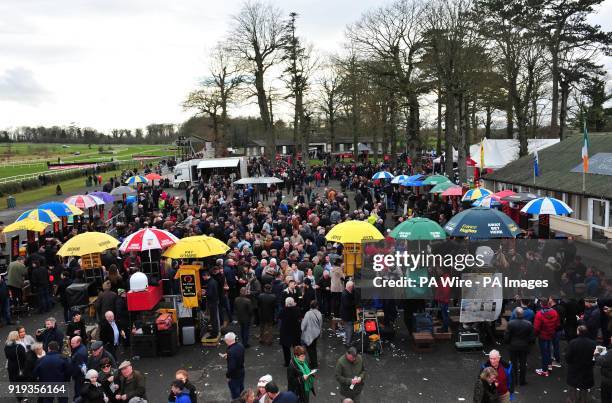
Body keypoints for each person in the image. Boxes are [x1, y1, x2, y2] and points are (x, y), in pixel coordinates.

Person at [504, 307, 534, 386]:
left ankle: (514, 381)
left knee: (514, 364)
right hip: (524, 347)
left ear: (515, 314)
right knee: (523, 363)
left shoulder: (511, 323)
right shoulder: (528, 324)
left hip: (513, 346)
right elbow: (531, 338)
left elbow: (507, 336)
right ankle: (522, 381)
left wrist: (508, 343)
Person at [566, 325, 597, 402]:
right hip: (587, 368)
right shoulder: (593, 343)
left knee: (573, 386)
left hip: (574, 368)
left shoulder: (573, 342)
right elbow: (594, 357)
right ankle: (583, 400)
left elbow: (568, 357)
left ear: (578, 332)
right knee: (584, 387)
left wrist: (570, 363)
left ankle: (573, 400)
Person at [534, 299, 559, 376]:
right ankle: (549, 366)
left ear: (541, 304)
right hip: (551, 334)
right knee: (548, 351)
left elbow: (536, 327)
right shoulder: (554, 312)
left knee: (544, 352)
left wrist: (535, 334)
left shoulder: (539, 314)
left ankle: (544, 370)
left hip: (542, 335)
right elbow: (557, 324)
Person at [279, 297, 301, 367]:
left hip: (285, 332)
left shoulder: (283, 310)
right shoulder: (297, 310)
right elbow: (299, 316)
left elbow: (279, 316)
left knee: (286, 349)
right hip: (295, 332)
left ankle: (287, 362)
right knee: (297, 348)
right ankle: (298, 362)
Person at [223, 332, 245, 399]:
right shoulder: (240, 345)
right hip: (241, 371)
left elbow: (232, 367)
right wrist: (228, 356)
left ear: (228, 340)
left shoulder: (230, 351)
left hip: (234, 376)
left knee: (235, 393)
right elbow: (238, 356)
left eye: (225, 340)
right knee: (241, 389)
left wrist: (227, 375)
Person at [301, 300, 322, 368]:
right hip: (316, 334)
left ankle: (313, 364)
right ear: (317, 306)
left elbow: (303, 325)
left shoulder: (308, 313)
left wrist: (302, 330)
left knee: (310, 349)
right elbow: (320, 324)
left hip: (309, 334)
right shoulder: (319, 313)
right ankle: (314, 362)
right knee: (313, 348)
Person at [5, 331, 27, 395]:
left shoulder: (6, 346)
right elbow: (24, 357)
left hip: (10, 366)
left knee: (14, 381)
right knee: (22, 382)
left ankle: (19, 397)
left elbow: (7, 356)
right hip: (20, 366)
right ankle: (23, 396)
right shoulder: (19, 347)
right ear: (17, 337)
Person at [595, 336, 612, 403]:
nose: (610, 338)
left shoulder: (610, 353)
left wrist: (596, 354)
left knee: (606, 398)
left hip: (608, 380)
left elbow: (600, 361)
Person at [340, 281, 356, 347]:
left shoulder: (347, 292)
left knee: (349, 329)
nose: (353, 288)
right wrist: (354, 303)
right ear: (350, 287)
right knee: (349, 329)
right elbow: (347, 305)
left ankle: (349, 342)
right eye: (352, 287)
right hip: (347, 315)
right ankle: (348, 343)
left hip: (348, 315)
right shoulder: (345, 294)